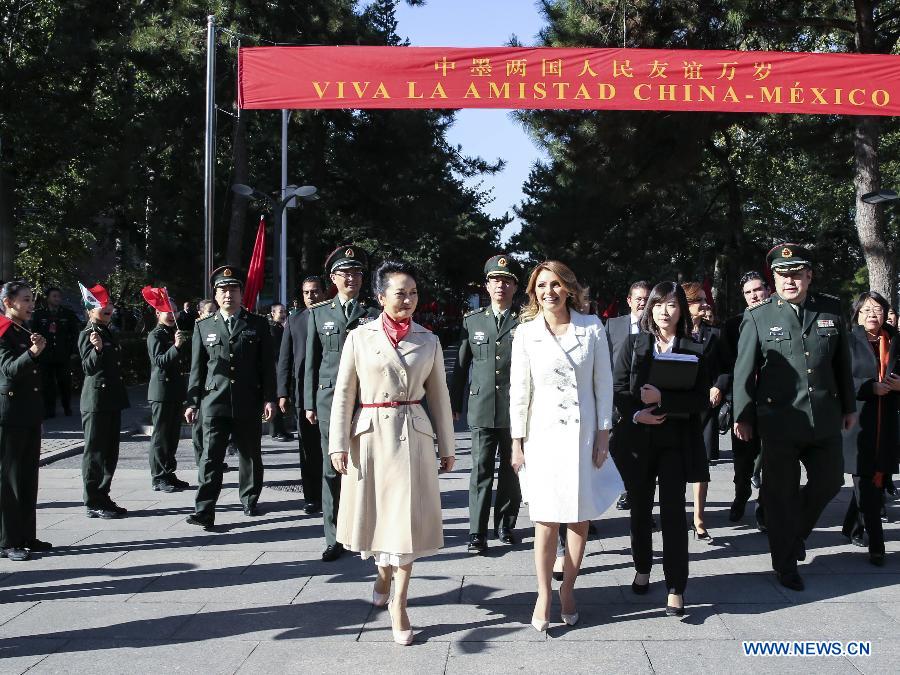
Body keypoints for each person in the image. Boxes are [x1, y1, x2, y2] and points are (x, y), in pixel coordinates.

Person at [330, 260, 455, 646]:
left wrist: (447, 445)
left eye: (414, 293)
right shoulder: (360, 337)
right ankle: (383, 574)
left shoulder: (428, 339)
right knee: (379, 519)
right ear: (380, 296)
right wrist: (337, 443)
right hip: (369, 436)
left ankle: (399, 604)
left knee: (405, 522)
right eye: (400, 293)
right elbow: (344, 393)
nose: (408, 300)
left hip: (411, 435)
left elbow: (440, 397)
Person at [733, 243, 856, 592]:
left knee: (831, 480)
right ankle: (785, 564)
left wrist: (849, 407)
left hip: (825, 416)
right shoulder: (759, 315)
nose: (790, 281)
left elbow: (841, 364)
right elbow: (744, 370)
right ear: (773, 278)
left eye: (796, 274)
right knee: (779, 493)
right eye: (782, 275)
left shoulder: (830, 309)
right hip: (779, 419)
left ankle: (794, 531)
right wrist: (742, 415)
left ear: (809, 275)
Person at [509, 260, 623, 631]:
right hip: (540, 436)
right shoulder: (525, 333)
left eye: (556, 285)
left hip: (582, 435)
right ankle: (543, 592)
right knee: (544, 519)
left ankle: (569, 589)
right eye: (542, 286)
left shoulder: (591, 328)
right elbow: (519, 390)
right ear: (533, 292)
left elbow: (603, 384)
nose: (549, 292)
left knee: (578, 517)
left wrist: (603, 434)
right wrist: (516, 442)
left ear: (569, 288)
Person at [611, 281, 709, 617]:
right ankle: (641, 567)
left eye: (671, 305)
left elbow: (700, 399)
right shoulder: (634, 343)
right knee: (640, 510)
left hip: (676, 442)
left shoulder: (693, 348)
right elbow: (618, 388)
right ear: (649, 308)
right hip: (638, 441)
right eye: (658, 304)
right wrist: (638, 413)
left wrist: (663, 400)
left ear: (681, 309)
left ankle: (676, 587)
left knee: (672, 513)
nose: (664, 312)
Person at [184, 266, 276, 530]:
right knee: (210, 458)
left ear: (241, 293)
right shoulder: (203, 326)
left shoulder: (257, 324)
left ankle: (249, 499)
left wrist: (269, 397)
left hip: (248, 399)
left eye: (233, 290)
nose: (228, 295)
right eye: (223, 290)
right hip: (214, 401)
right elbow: (197, 369)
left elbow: (266, 366)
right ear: (215, 294)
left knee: (250, 454)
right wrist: (192, 402)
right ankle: (204, 510)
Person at [305, 245, 380, 561]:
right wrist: (309, 402)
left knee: (365, 467)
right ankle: (333, 536)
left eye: (357, 272)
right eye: (345, 273)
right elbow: (311, 361)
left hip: (366, 402)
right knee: (331, 468)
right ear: (333, 278)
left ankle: (366, 531)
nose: (352, 278)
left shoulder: (373, 314)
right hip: (330, 401)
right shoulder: (319, 314)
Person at [450, 254, 522, 555]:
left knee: (511, 469)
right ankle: (476, 532)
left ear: (515, 287)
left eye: (506, 281)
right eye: (495, 280)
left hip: (515, 408)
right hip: (481, 407)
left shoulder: (526, 321)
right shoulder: (473, 320)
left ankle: (505, 524)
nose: (500, 286)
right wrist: (454, 402)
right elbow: (461, 366)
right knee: (480, 470)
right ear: (486, 285)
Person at [841, 291, 900, 566]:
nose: (872, 315)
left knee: (874, 481)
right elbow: (839, 381)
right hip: (858, 423)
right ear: (857, 314)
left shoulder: (896, 340)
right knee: (866, 483)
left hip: (886, 423)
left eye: (877, 309)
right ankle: (877, 545)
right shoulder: (848, 340)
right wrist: (869, 387)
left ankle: (851, 526)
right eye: (866, 310)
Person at [0, 281, 51, 560]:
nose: (31, 304)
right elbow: (8, 370)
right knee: (8, 480)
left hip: (28, 413)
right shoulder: (3, 331)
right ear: (8, 302)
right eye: (25, 299)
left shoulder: (23, 330)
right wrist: (32, 354)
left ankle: (26, 535)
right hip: (9, 416)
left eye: (32, 299)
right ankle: (8, 540)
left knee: (28, 478)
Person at [682, 281, 730, 542]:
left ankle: (699, 519)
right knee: (676, 463)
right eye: (698, 300)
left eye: (704, 299)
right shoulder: (673, 334)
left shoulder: (715, 334)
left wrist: (718, 386)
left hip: (705, 406)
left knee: (701, 465)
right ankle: (678, 512)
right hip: (679, 408)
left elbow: (725, 367)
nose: (704, 303)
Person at [79, 285, 130, 519]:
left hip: (111, 399)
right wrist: (97, 349)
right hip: (97, 400)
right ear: (90, 309)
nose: (107, 307)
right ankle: (93, 500)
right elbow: (89, 367)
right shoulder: (89, 332)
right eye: (101, 305)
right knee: (96, 452)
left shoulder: (108, 331)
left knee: (110, 452)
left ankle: (103, 494)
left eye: (108, 304)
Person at [723, 272, 769, 528]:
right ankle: (741, 496)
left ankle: (764, 506)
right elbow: (729, 366)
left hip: (774, 404)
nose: (754, 295)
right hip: (744, 403)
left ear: (768, 290)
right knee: (743, 461)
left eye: (758, 290)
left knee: (771, 460)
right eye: (749, 292)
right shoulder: (733, 325)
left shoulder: (781, 319)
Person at [277, 276, 325, 514]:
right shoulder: (294, 320)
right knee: (308, 448)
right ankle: (312, 496)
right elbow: (285, 358)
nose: (311, 296)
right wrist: (283, 392)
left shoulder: (331, 316)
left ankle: (335, 494)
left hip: (330, 391)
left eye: (315, 292)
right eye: (306, 292)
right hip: (303, 393)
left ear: (324, 293)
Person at [605, 281, 651, 513]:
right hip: (616, 397)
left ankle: (638, 501)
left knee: (642, 454)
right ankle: (621, 489)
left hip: (644, 397)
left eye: (646, 298)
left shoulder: (656, 326)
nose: (643, 303)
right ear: (629, 301)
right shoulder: (613, 325)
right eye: (639, 299)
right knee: (615, 449)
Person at [146, 305, 192, 492]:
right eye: (167, 310)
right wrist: (176, 347)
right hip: (162, 391)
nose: (172, 314)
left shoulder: (173, 332)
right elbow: (160, 361)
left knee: (172, 436)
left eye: (174, 310)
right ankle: (158, 476)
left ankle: (168, 472)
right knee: (161, 436)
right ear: (158, 313)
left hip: (175, 390)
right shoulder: (155, 335)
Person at [32, 286, 79, 418]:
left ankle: (67, 407)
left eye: (59, 296)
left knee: (64, 382)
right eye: (54, 296)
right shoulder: (39, 314)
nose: (57, 299)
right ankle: (49, 410)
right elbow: (34, 333)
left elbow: (74, 334)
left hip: (62, 354)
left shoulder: (67, 314)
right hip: (45, 355)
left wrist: (73, 351)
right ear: (48, 298)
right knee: (47, 384)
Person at [190, 299, 218, 467]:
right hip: (202, 386)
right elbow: (197, 364)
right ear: (200, 313)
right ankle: (201, 460)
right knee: (200, 427)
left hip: (213, 386)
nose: (212, 314)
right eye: (209, 311)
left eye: (214, 311)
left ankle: (212, 458)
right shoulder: (200, 327)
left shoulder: (216, 326)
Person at [268, 303, 293, 443]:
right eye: (280, 312)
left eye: (284, 311)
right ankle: (275, 431)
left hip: (282, 368)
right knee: (276, 401)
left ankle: (281, 429)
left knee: (281, 401)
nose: (283, 314)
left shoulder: (281, 327)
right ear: (273, 313)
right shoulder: (272, 329)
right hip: (276, 369)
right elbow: (277, 351)